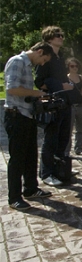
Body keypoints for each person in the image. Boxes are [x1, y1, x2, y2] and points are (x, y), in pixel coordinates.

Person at [4, 42, 54, 210]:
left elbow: (23, 90)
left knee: (31, 155)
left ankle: (31, 188)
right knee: (17, 158)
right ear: (39, 51)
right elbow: (12, 89)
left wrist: (37, 98)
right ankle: (14, 197)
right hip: (16, 115)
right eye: (43, 59)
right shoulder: (17, 62)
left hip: (27, 115)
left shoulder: (27, 65)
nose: (42, 63)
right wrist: (37, 93)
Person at [35, 26, 75, 186]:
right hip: (53, 104)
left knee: (63, 138)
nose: (61, 37)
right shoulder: (45, 57)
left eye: (62, 35)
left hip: (64, 102)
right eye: (58, 35)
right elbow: (39, 82)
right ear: (49, 38)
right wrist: (60, 85)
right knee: (50, 139)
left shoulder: (59, 57)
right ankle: (46, 173)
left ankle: (60, 169)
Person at [66, 58, 82, 155]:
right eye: (72, 66)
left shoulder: (80, 77)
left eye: (76, 66)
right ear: (68, 67)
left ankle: (79, 148)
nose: (74, 68)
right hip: (70, 106)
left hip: (80, 105)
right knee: (68, 130)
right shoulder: (65, 78)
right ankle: (67, 150)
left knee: (80, 129)